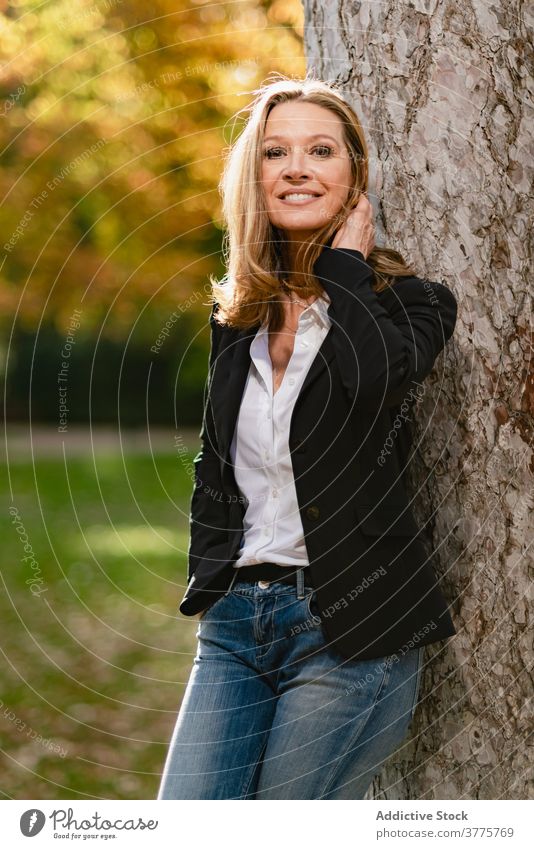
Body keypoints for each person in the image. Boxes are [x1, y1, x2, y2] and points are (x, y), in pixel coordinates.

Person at [157, 74, 458, 800]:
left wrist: (346, 269)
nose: (297, 167)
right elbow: (218, 460)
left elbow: (379, 381)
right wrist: (213, 569)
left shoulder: (413, 304)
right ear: (252, 178)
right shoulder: (237, 320)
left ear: (354, 174)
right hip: (234, 625)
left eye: (321, 150)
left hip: (346, 623)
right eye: (275, 152)